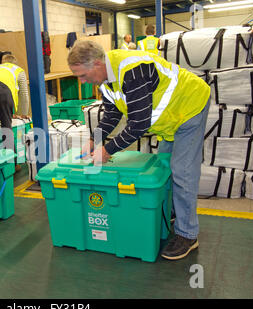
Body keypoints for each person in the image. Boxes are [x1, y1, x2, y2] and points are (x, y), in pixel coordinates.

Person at [67, 40, 211, 261]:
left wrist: (107, 150)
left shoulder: (132, 71)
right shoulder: (106, 79)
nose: (82, 81)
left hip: (188, 106)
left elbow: (138, 125)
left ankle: (188, 235)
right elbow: (113, 114)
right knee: (164, 167)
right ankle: (175, 212)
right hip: (169, 119)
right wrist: (94, 140)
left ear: (96, 63)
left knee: (182, 170)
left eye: (82, 75)